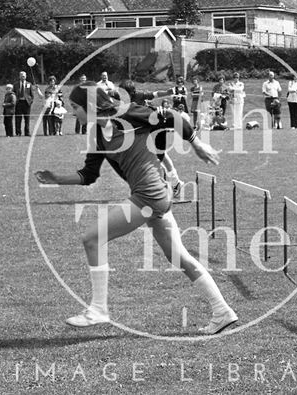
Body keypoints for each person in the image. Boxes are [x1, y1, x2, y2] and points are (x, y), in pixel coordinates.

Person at [34, 81, 238, 334]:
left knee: (91, 239)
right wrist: (57, 179)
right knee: (178, 256)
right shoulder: (97, 134)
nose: (73, 112)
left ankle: (98, 309)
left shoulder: (128, 114)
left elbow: (173, 116)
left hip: (149, 196)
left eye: (76, 107)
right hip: (155, 196)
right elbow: (88, 174)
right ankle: (223, 311)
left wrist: (196, 143)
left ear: (90, 105)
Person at [13, 71, 34, 136]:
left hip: (26, 103)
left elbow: (32, 94)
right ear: (19, 76)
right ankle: (18, 133)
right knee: (18, 119)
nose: (23, 77)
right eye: (21, 76)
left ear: (26, 76)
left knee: (27, 119)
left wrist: (30, 102)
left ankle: (27, 133)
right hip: (18, 103)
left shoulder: (29, 84)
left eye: (24, 76)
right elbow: (13, 94)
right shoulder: (15, 84)